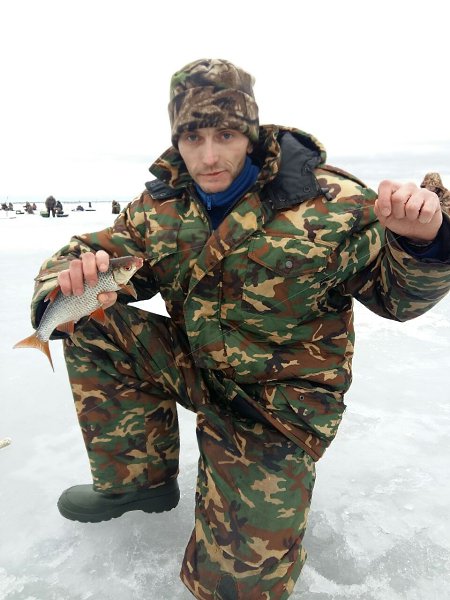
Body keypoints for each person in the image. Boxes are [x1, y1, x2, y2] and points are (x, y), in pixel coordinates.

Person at [29, 59, 450, 600]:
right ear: (177, 141)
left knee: (235, 587)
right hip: (198, 364)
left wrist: (423, 244)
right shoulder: (161, 207)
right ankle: (137, 481)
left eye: (225, 135)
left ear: (250, 134)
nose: (208, 156)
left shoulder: (333, 204)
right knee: (91, 324)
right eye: (193, 137)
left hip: (276, 406)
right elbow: (100, 251)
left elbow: (397, 299)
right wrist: (64, 282)